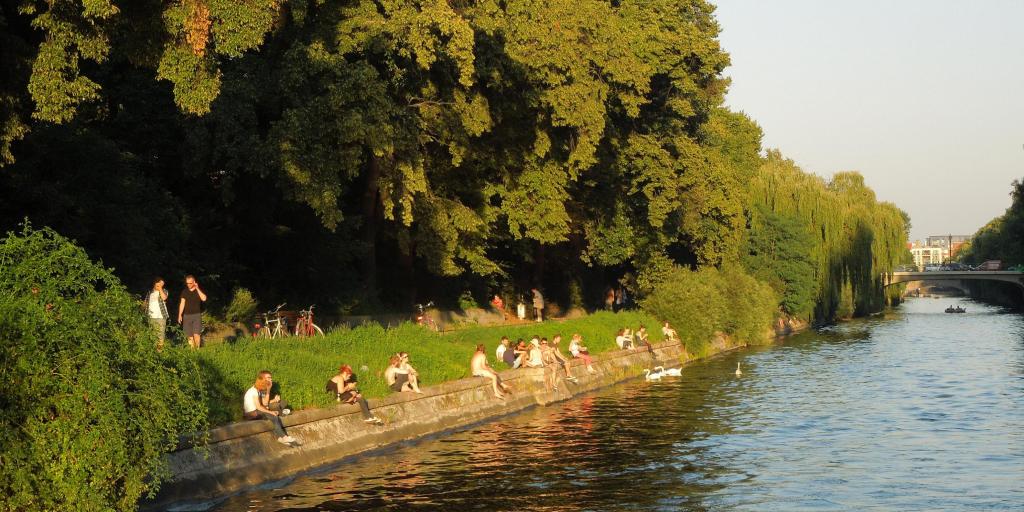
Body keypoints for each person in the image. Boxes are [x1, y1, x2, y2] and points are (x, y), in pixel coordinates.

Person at [243, 370, 296, 445]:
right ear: (262, 379)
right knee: (273, 416)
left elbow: (264, 403)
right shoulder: (254, 391)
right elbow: (259, 407)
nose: (271, 379)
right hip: (252, 413)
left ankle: (281, 438)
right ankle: (283, 437)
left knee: (282, 403)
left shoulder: (259, 390)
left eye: (271, 377)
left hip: (257, 410)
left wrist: (268, 390)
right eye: (268, 377)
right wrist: (270, 412)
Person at [177, 275, 207, 349]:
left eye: (190, 283)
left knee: (196, 334)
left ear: (194, 282)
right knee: (189, 336)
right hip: (187, 316)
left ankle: (197, 350)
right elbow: (182, 303)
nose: (188, 285)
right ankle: (192, 352)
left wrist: (197, 288)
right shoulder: (184, 291)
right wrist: (180, 314)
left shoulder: (198, 290)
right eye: (187, 283)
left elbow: (204, 299)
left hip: (196, 315)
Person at [146, 277, 169, 350]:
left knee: (160, 335)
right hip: (150, 317)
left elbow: (164, 298)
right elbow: (145, 303)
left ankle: (159, 352)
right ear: (155, 283)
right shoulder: (150, 292)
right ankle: (153, 351)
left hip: (161, 317)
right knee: (152, 335)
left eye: (161, 285)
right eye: (158, 284)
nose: (160, 286)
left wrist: (160, 289)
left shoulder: (164, 291)